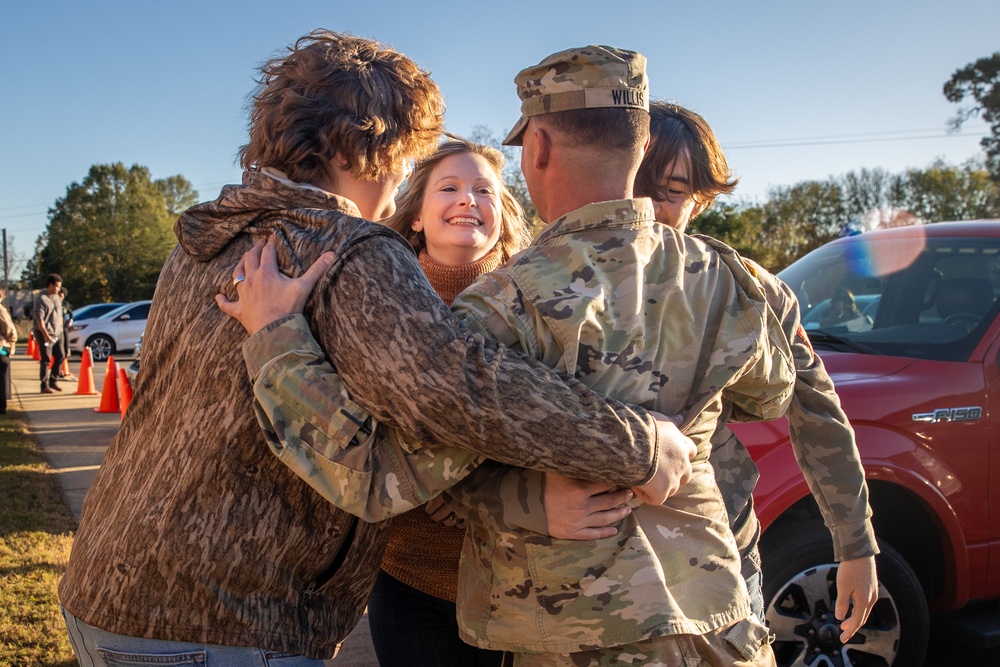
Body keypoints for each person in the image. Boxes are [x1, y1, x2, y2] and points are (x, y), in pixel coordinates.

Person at [59, 30, 682, 666]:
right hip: (221, 621)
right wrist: (635, 445)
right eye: (412, 159)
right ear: (376, 148)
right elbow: (458, 391)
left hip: (108, 584)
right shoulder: (351, 249)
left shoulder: (206, 239)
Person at [225, 45, 797, 667]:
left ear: (539, 149)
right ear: (639, 147)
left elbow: (380, 474)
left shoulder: (505, 305)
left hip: (583, 637)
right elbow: (770, 394)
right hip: (721, 626)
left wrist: (277, 338)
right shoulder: (725, 275)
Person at [534, 101, 879, 639]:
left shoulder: (750, 292)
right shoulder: (554, 283)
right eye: (638, 184)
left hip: (716, 556)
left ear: (702, 198)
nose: (648, 206)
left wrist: (855, 544)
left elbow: (818, 414)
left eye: (671, 191)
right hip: (581, 570)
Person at [367, 138, 529, 667]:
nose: (468, 199)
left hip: (522, 584)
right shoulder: (373, 297)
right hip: (408, 578)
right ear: (414, 215)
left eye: (485, 190)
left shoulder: (542, 304)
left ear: (503, 217)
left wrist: (479, 489)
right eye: (449, 187)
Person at [33, 273, 64, 394]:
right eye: (56, 286)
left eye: (59, 287)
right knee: (46, 359)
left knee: (61, 355)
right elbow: (39, 319)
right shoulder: (41, 299)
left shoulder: (57, 297)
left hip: (57, 333)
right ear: (50, 285)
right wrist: (45, 335)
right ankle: (44, 385)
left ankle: (53, 380)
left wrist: (61, 331)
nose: (58, 289)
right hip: (44, 333)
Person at [0, 286, 17, 413]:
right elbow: (8, 329)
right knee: (1, 381)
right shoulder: (1, 311)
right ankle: (1, 408)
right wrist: (12, 342)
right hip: (1, 349)